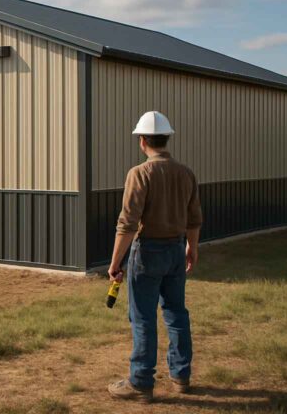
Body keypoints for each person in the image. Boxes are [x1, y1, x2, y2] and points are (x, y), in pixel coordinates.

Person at [106, 111, 202, 403]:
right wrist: (191, 248)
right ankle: (181, 376)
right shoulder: (185, 172)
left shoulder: (139, 173)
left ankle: (141, 383)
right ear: (166, 138)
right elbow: (194, 218)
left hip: (147, 252)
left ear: (143, 140)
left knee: (143, 317)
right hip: (175, 250)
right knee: (176, 313)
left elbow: (128, 223)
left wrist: (114, 263)